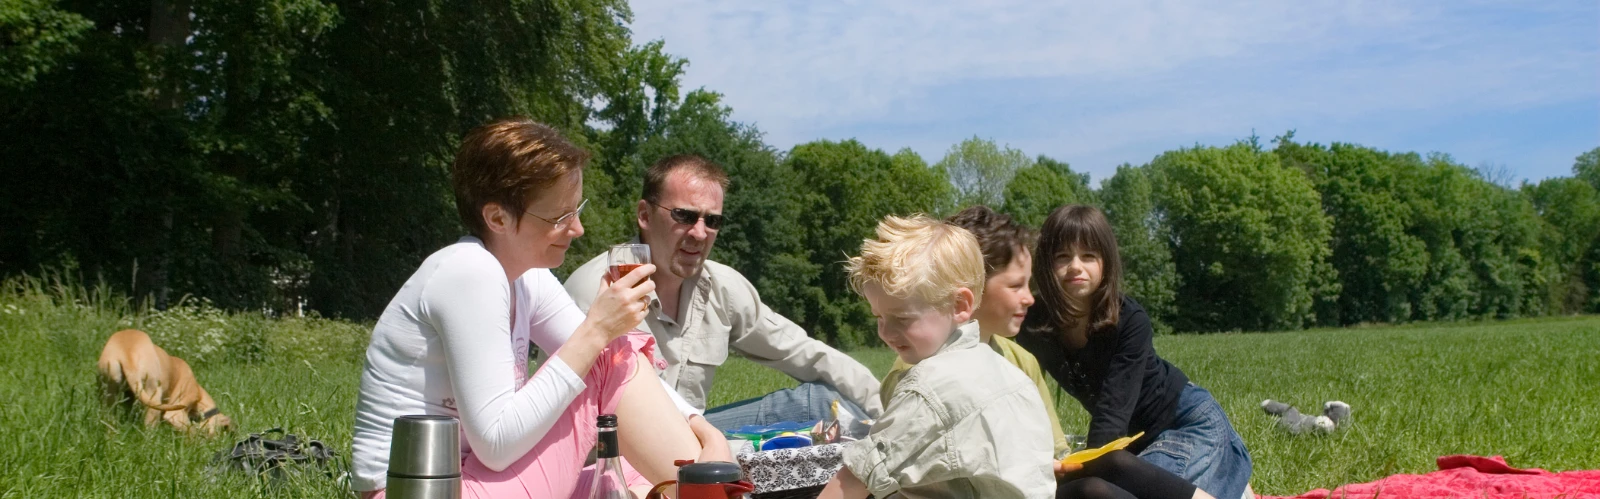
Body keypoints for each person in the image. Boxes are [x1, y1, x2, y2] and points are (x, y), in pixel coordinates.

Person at [350, 118, 728, 499]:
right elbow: (497, 444)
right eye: (560, 217)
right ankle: (709, 490)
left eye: (576, 209)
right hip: (422, 490)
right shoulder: (468, 271)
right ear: (497, 218)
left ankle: (703, 480)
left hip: (467, 480)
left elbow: (623, 371)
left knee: (634, 475)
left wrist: (702, 426)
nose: (578, 228)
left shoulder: (524, 277)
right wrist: (597, 330)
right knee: (604, 358)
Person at [564, 154, 881, 431]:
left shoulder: (722, 287)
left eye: (712, 221)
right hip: (612, 457)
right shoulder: (599, 289)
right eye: (684, 216)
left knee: (819, 405)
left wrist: (891, 408)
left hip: (696, 437)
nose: (700, 233)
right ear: (644, 215)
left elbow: (803, 353)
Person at [1014, 205, 1252, 499]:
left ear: (1107, 262)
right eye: (1063, 256)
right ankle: (1225, 481)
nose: (1076, 266)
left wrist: (1087, 466)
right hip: (1129, 447)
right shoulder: (1034, 322)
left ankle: (1226, 473)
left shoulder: (1128, 319)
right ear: (1046, 265)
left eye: (1089, 256)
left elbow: (1112, 415)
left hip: (1185, 422)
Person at [821, 214, 1056, 498]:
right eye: (878, 316)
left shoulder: (929, 387)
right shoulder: (1014, 378)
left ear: (960, 304)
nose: (885, 332)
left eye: (902, 317)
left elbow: (856, 477)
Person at [878, 205, 1070, 456]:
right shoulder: (913, 374)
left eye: (1028, 284)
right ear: (971, 289)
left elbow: (1056, 450)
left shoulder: (1023, 362)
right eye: (1015, 286)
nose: (1029, 298)